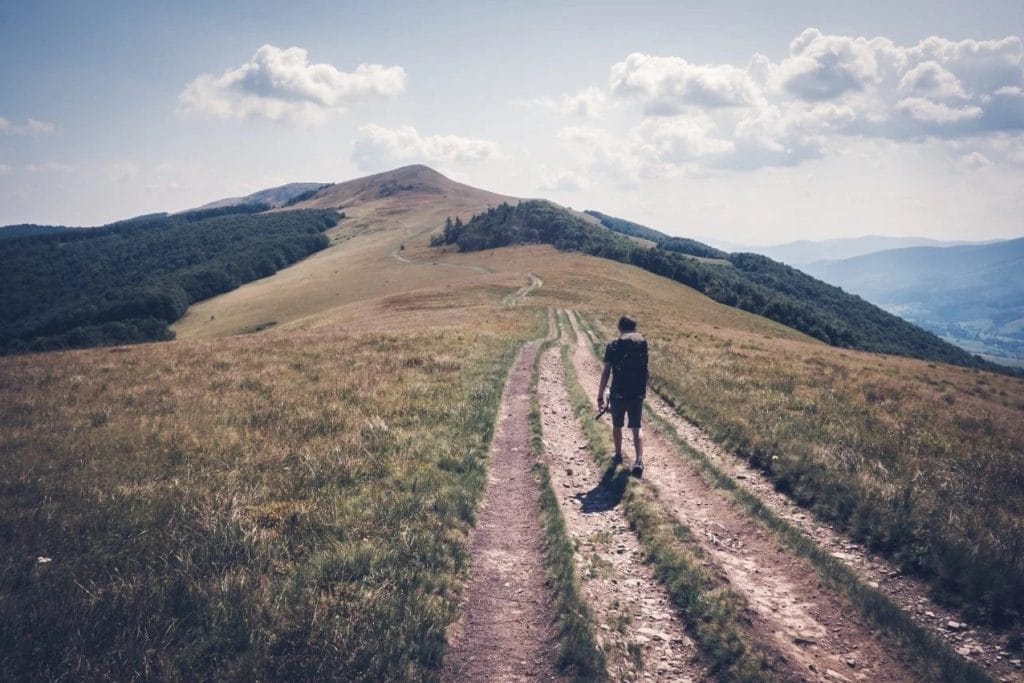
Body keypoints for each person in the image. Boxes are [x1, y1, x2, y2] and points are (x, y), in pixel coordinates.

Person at [597, 315, 648, 477]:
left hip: (618, 392)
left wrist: (600, 395)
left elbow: (606, 373)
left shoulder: (613, 345)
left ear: (620, 327)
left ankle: (618, 454)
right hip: (637, 393)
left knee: (617, 425)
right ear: (634, 328)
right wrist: (642, 389)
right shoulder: (642, 344)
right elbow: (646, 370)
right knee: (636, 427)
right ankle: (639, 460)